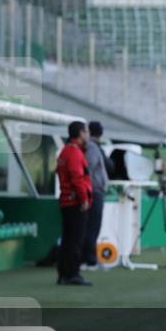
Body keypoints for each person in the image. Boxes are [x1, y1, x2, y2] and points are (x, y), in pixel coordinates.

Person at [56, 121, 93, 286]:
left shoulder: (65, 151)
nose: (88, 135)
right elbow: (78, 178)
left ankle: (64, 274)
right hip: (75, 202)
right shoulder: (75, 153)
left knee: (68, 239)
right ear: (80, 133)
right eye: (86, 132)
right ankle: (72, 274)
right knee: (76, 240)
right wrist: (84, 199)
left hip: (67, 201)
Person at [82, 121, 113, 269]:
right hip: (94, 191)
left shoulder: (90, 147)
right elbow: (89, 167)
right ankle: (90, 259)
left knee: (90, 226)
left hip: (91, 190)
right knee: (93, 227)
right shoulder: (93, 148)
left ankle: (88, 258)